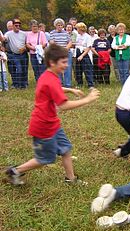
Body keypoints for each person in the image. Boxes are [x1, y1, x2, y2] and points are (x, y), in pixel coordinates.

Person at [5, 44, 100, 185]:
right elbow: (64, 105)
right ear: (52, 62)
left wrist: (70, 90)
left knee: (66, 149)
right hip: (43, 127)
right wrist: (88, 99)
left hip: (52, 124)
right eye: (63, 62)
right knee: (45, 159)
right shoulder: (50, 79)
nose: (66, 65)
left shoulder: (49, 75)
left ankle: (71, 179)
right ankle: (15, 171)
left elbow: (55, 88)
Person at [0, 18, 28, 89]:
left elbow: (28, 43)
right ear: (12, 26)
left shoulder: (24, 34)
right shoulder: (8, 34)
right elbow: (3, 39)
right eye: (16, 25)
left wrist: (25, 47)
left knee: (24, 69)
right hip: (14, 55)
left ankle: (24, 84)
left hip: (24, 54)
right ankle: (17, 84)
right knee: (19, 69)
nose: (18, 27)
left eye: (19, 25)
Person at [50, 18, 73, 88]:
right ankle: (59, 84)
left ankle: (68, 84)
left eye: (61, 25)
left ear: (63, 26)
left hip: (66, 53)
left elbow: (70, 42)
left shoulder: (66, 33)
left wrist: (66, 49)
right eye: (58, 25)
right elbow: (52, 42)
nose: (59, 26)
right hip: (57, 53)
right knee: (58, 68)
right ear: (55, 26)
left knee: (67, 69)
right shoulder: (52, 33)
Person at [74, 22, 94, 88]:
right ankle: (79, 83)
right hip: (78, 53)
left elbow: (89, 47)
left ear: (81, 29)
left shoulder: (87, 36)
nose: (76, 30)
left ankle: (90, 84)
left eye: (77, 29)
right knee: (78, 70)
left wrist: (82, 56)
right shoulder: (77, 36)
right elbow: (74, 43)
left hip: (85, 54)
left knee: (87, 70)